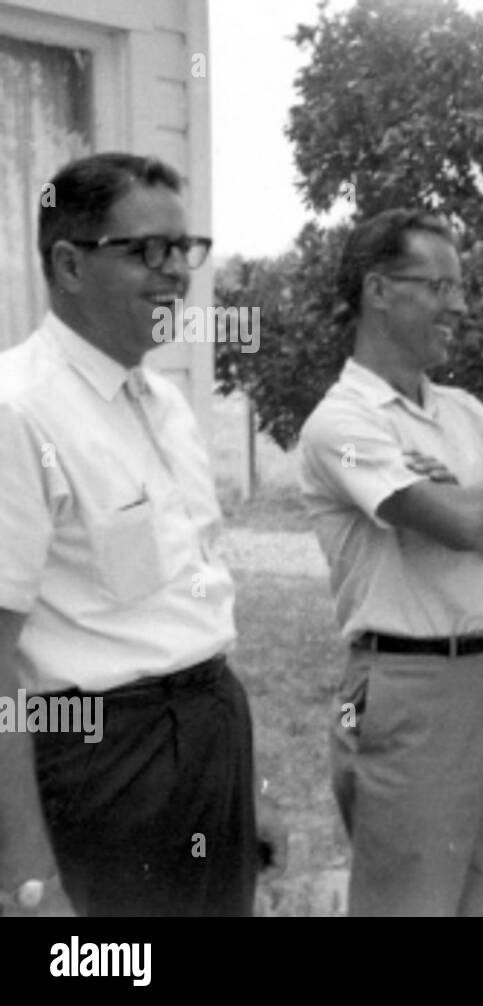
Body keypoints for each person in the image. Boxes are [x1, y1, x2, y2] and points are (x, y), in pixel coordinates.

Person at [0, 152, 285, 917]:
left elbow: (197, 610)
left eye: (183, 249)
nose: (174, 275)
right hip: (102, 761)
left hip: (209, 734)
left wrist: (249, 790)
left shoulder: (164, 404)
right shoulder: (17, 411)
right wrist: (29, 881)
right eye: (145, 251)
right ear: (67, 264)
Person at [298, 208, 483, 917]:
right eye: (439, 285)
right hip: (401, 687)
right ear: (377, 290)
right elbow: (469, 523)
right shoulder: (344, 422)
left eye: (461, 287)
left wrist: (472, 501)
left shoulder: (465, 413)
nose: (460, 305)